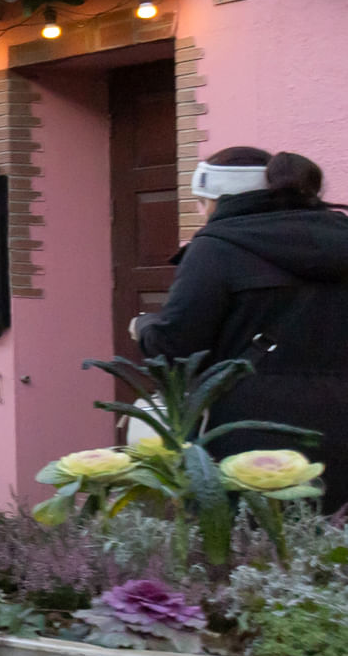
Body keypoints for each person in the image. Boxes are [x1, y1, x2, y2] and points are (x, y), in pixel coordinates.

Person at [139, 147, 348, 508]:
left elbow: (176, 347)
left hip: (252, 433)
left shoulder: (215, 249)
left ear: (221, 200)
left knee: (253, 553)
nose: (198, 213)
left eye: (201, 202)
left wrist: (144, 327)